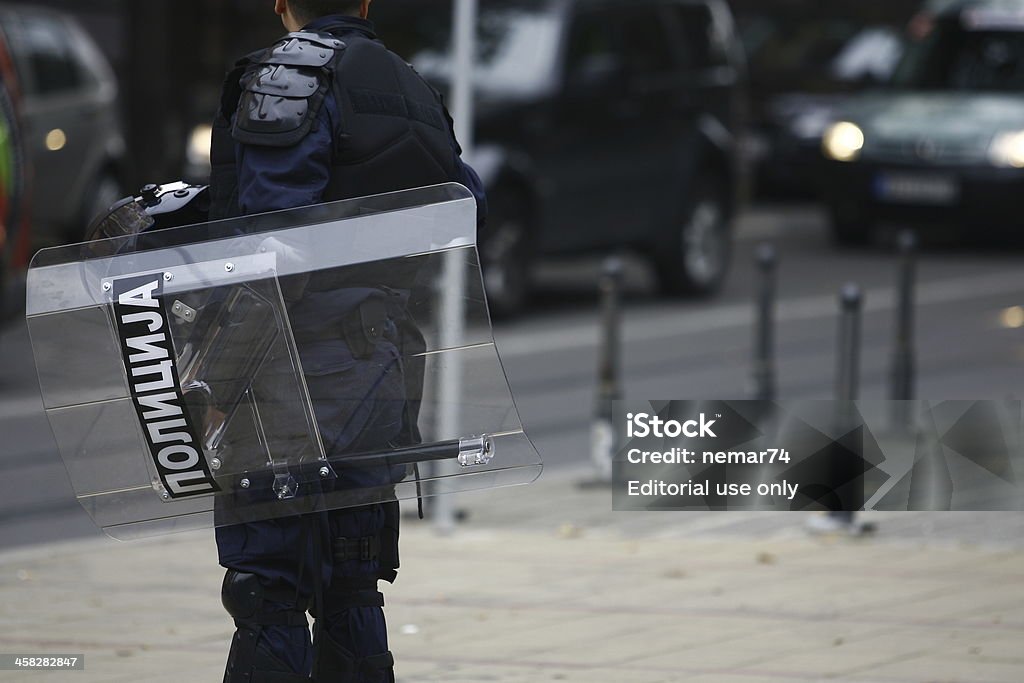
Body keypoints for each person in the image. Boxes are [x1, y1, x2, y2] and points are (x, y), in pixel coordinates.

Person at [208, 1, 486, 681]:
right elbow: (464, 203)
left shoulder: (292, 74)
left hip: (287, 383)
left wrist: (215, 385)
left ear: (282, 2)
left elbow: (272, 254)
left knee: (266, 592)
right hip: (380, 378)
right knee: (353, 589)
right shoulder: (411, 88)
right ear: (365, 2)